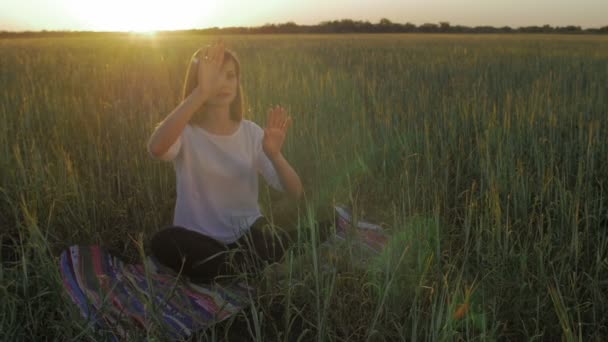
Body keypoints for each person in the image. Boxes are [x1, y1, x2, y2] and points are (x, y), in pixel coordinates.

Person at [146, 40, 335, 283]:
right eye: (213, 77)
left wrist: (275, 155)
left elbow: (295, 191)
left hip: (248, 232)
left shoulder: (251, 132)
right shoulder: (186, 132)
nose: (223, 84)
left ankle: (241, 268)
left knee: (315, 222)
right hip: (198, 239)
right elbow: (156, 148)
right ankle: (257, 266)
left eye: (230, 76)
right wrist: (200, 93)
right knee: (163, 241)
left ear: (237, 82)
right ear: (198, 82)